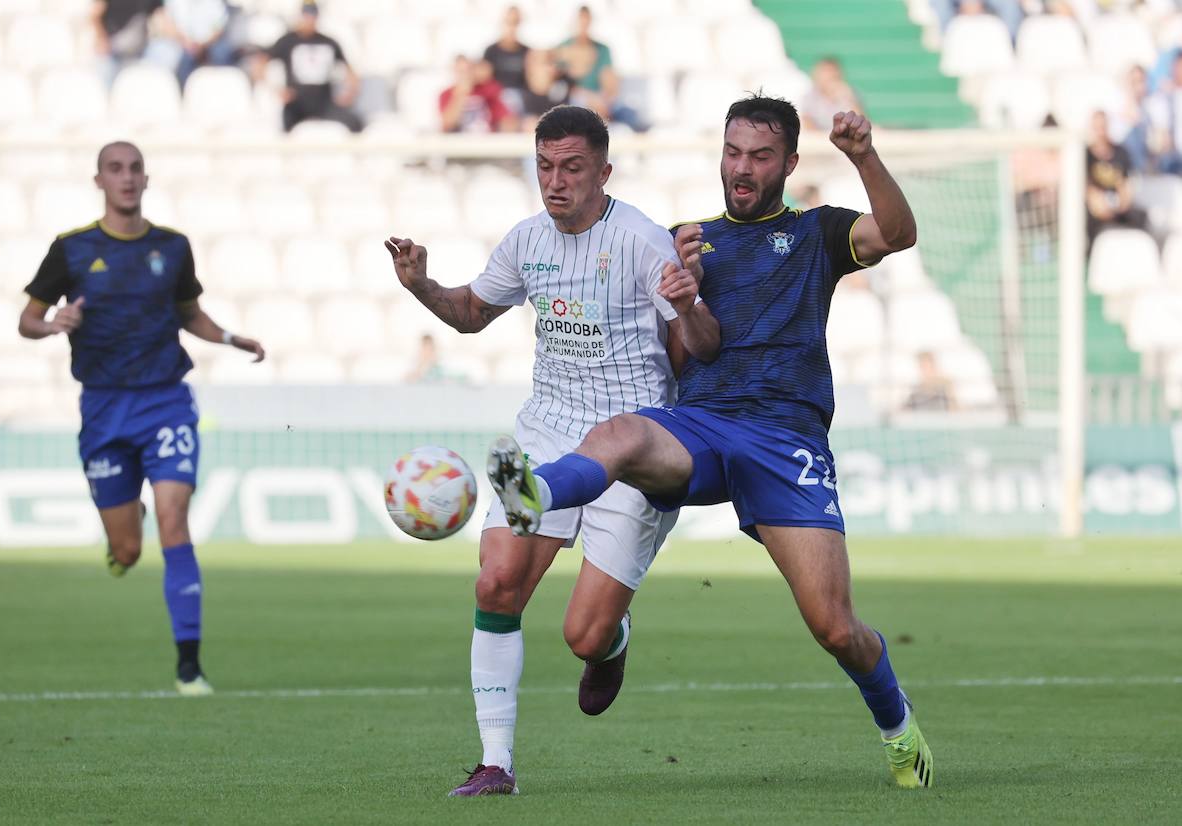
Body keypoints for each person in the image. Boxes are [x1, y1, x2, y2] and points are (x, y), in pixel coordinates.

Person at [486, 95, 936, 789]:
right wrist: (686, 295)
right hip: (700, 425)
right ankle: (536, 490)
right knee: (623, 430)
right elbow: (677, 358)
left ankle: (898, 728)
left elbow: (897, 234)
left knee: (835, 627)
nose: (742, 169)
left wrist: (861, 155)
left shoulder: (817, 233)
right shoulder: (686, 240)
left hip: (785, 442)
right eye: (732, 153)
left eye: (759, 156)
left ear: (788, 162)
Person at [385, 105, 719, 797]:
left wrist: (689, 305)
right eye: (544, 167)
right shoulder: (525, 240)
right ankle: (496, 763)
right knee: (494, 583)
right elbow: (472, 315)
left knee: (582, 636)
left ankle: (612, 640)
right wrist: (420, 284)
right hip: (544, 430)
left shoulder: (643, 241)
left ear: (603, 171)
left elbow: (701, 351)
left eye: (571, 168)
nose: (555, 182)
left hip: (633, 441)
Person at [17, 141, 265, 696]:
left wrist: (228, 337)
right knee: (128, 550)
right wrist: (53, 323)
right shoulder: (71, 250)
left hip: (165, 401)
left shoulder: (172, 248)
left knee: (175, 519)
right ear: (99, 180)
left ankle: (189, 665)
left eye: (134, 170)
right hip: (104, 408)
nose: (126, 179)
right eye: (115, 170)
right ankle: (123, 542)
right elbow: (26, 321)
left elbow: (189, 314)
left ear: (146, 180)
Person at [258, 2, 361, 133]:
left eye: (312, 15)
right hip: (297, 103)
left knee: (355, 124)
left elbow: (350, 71)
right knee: (283, 128)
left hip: (324, 103)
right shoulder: (288, 41)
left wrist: (350, 93)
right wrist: (276, 90)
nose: (309, 19)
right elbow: (261, 63)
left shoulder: (328, 42)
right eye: (306, 15)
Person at [554, 6, 646, 132]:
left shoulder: (602, 49)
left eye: (586, 23)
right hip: (577, 101)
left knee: (630, 115)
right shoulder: (562, 49)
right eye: (580, 23)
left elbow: (610, 80)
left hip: (601, 99)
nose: (583, 28)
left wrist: (605, 99)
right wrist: (591, 98)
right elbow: (562, 85)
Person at [1086, 109, 1148, 248]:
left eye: (1103, 127)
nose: (1100, 132)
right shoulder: (1086, 155)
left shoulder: (1121, 152)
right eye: (1097, 128)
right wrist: (1099, 204)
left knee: (1140, 217)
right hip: (1096, 208)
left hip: (1118, 205)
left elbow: (1125, 184)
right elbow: (1088, 189)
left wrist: (1122, 204)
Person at [144, 0, 241, 87]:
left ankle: (223, 90)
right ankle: (179, 93)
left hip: (208, 44)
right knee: (166, 53)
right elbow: (165, 21)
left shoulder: (214, 3)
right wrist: (185, 42)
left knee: (222, 51)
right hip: (180, 43)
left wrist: (203, 45)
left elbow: (218, 26)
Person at [90, 0, 161, 87]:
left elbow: (159, 13)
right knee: (103, 75)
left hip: (142, 50)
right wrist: (102, 38)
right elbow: (95, 13)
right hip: (112, 50)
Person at [439, 56, 516, 134]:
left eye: (468, 70)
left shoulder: (486, 89)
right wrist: (461, 94)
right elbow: (448, 123)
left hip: (486, 140)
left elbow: (506, 118)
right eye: (461, 71)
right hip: (460, 142)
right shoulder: (446, 94)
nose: (465, 75)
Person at [482, 6, 531, 117]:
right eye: (509, 22)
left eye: (515, 22)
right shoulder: (491, 51)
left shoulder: (527, 51)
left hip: (522, 98)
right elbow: (485, 78)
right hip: (497, 98)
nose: (512, 27)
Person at [800, 56, 863, 132]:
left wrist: (849, 98)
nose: (828, 77)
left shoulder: (848, 93)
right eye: (824, 72)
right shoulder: (810, 97)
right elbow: (808, 124)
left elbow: (859, 123)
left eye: (831, 72)